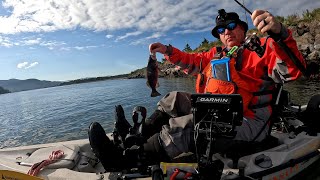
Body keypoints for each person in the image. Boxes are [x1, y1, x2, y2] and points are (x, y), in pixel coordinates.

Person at [88, 8, 305, 172]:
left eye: (231, 26)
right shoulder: (216, 55)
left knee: (191, 127)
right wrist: (167, 50)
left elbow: (294, 70)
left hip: (249, 123)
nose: (226, 32)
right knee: (173, 99)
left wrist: (281, 34)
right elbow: (189, 60)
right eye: (221, 30)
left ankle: (126, 159)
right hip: (217, 110)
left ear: (242, 28)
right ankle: (137, 135)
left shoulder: (265, 47)